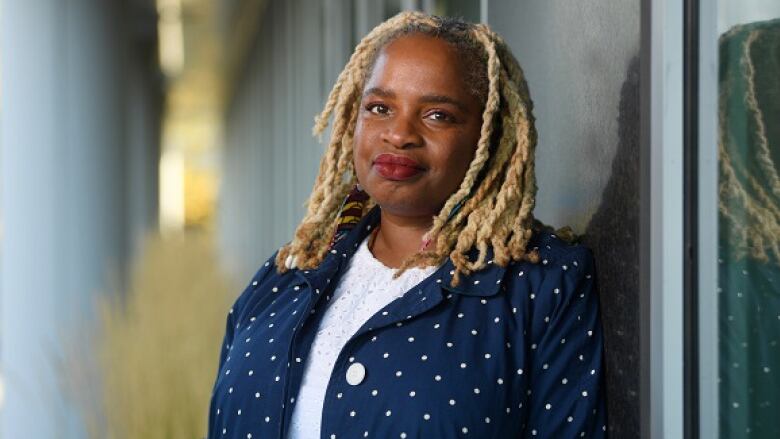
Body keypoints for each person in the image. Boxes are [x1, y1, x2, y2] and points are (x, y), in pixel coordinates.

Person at [207, 11, 607, 439]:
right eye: (379, 108)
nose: (399, 134)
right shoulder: (284, 278)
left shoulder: (542, 287)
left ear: (488, 137)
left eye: (438, 115)